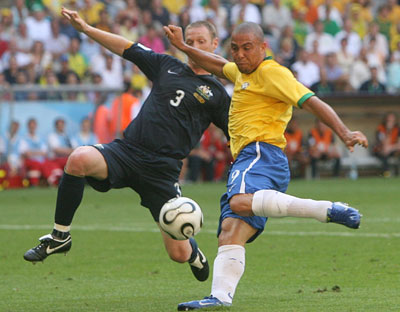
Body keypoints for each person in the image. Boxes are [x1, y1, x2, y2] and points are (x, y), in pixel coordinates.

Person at [164, 21, 369, 310]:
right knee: (231, 231)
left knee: (238, 203)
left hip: (260, 152)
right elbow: (217, 64)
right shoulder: (242, 72)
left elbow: (313, 102)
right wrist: (183, 48)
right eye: (235, 48)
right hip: (250, 159)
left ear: (263, 47)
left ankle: (325, 209)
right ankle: (220, 297)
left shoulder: (273, 73)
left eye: (247, 48)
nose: (240, 54)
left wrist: (345, 132)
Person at [23, 8, 231, 285]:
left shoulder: (217, 93)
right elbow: (126, 47)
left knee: (178, 253)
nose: (193, 47)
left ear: (214, 44)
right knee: (78, 159)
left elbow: (236, 133)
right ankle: (60, 237)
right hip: (127, 152)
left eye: (200, 42)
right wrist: (86, 29)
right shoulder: (166, 65)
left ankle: (194, 254)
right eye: (189, 41)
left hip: (162, 171)